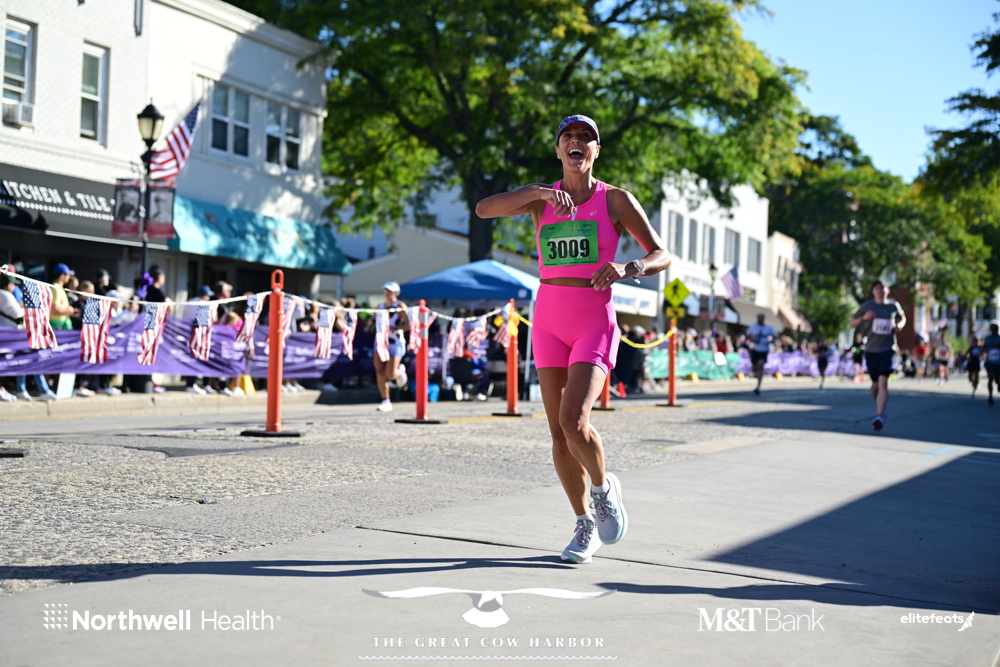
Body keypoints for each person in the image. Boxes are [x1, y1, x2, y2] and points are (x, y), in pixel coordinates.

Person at [475, 113, 670, 564]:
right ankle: (584, 524)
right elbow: (484, 209)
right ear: (559, 150)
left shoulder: (615, 199)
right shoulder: (540, 200)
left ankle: (603, 491)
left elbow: (661, 254)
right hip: (548, 320)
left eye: (586, 137)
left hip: (593, 319)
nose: (576, 142)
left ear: (596, 151)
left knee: (574, 421)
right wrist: (540, 193)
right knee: (559, 437)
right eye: (569, 137)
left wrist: (629, 268)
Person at [849, 280, 906, 431]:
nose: (880, 291)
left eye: (882, 288)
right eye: (877, 288)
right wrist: (864, 318)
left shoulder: (893, 306)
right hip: (871, 350)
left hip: (888, 349)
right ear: (873, 291)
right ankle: (881, 409)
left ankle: (879, 416)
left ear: (887, 290)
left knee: (883, 382)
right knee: (874, 386)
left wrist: (899, 325)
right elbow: (852, 323)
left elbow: (903, 318)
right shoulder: (867, 306)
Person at [373, 281, 410, 412]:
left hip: (395, 341)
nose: (387, 293)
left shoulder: (399, 306)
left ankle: (400, 373)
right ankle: (385, 400)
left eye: (390, 290)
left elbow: (409, 325)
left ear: (396, 292)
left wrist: (395, 328)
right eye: (386, 290)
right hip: (381, 341)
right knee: (380, 371)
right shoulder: (379, 306)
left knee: (390, 373)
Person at [746, 313, 776, 395]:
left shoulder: (768, 328)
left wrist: (771, 342)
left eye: (762, 318)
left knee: (761, 365)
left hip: (764, 350)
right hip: (755, 349)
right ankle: (757, 375)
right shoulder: (753, 327)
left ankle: (758, 386)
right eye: (759, 317)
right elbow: (747, 336)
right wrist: (752, 340)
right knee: (755, 368)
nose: (760, 319)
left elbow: (774, 337)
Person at [983, 323, 1000, 406]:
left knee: (997, 378)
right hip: (990, 361)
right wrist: (981, 353)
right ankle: (990, 396)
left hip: (998, 362)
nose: (993, 330)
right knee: (990, 378)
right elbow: (984, 347)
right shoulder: (987, 338)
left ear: (997, 330)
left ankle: (998, 383)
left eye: (994, 329)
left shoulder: (999, 338)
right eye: (992, 329)